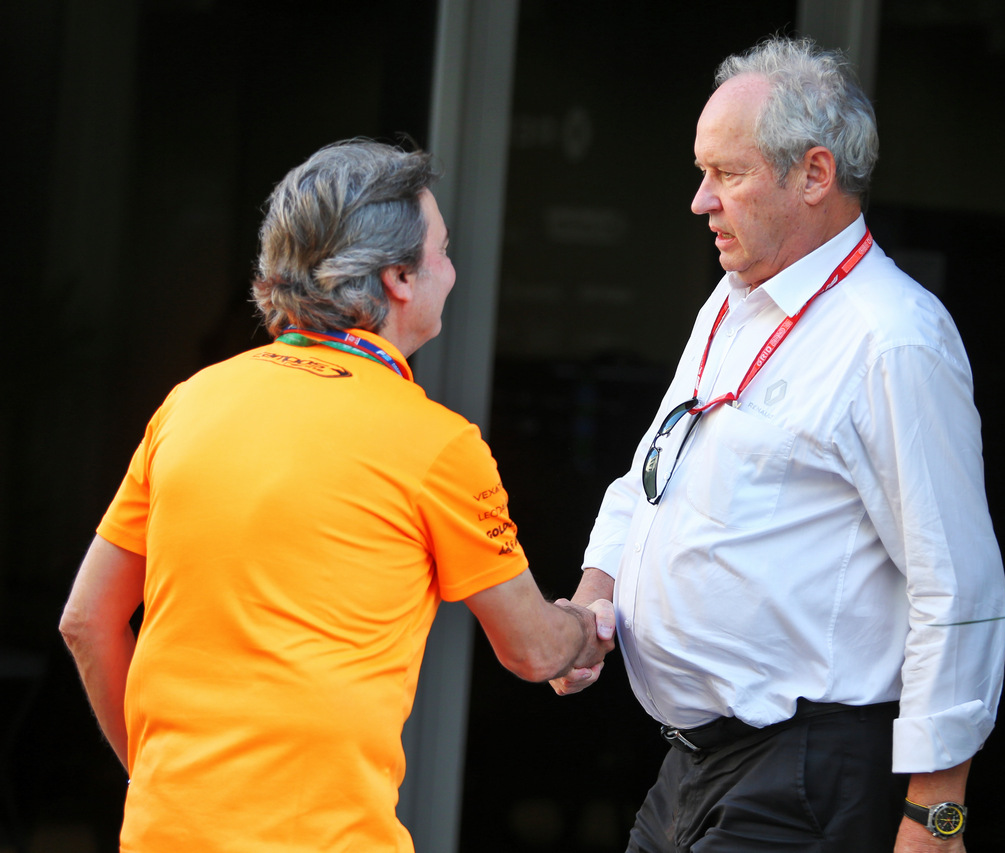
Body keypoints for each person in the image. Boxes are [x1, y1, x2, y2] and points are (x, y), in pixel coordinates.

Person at [59, 139, 614, 852]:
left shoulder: (189, 403)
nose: (453, 268)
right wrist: (586, 626)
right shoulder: (437, 443)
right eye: (443, 249)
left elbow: (86, 621)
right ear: (399, 278)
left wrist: (160, 780)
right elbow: (534, 650)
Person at [551, 37, 1005, 852]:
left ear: (815, 175)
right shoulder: (730, 302)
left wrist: (936, 816)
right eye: (703, 172)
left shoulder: (894, 338)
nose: (700, 200)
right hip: (691, 766)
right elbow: (646, 482)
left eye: (728, 174)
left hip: (807, 771)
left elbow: (959, 584)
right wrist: (595, 600)